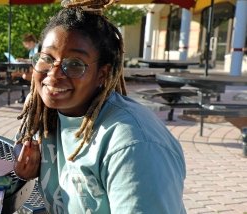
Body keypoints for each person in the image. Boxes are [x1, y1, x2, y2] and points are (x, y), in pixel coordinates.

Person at [13, 1, 186, 213]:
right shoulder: (50, 116)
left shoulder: (133, 145)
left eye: (75, 64)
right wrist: (28, 170)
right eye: (47, 58)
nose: (54, 74)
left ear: (102, 75)